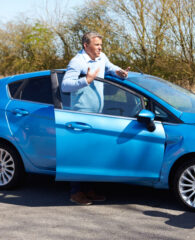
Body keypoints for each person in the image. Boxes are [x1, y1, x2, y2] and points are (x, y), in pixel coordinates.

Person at [62, 32, 129, 205]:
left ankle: (89, 190)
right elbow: (65, 85)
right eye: (97, 45)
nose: (100, 48)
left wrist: (118, 72)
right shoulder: (77, 62)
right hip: (81, 115)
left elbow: (109, 66)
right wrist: (86, 80)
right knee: (79, 154)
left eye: (101, 45)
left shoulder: (101, 57)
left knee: (92, 153)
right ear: (86, 46)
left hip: (97, 115)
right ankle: (75, 192)